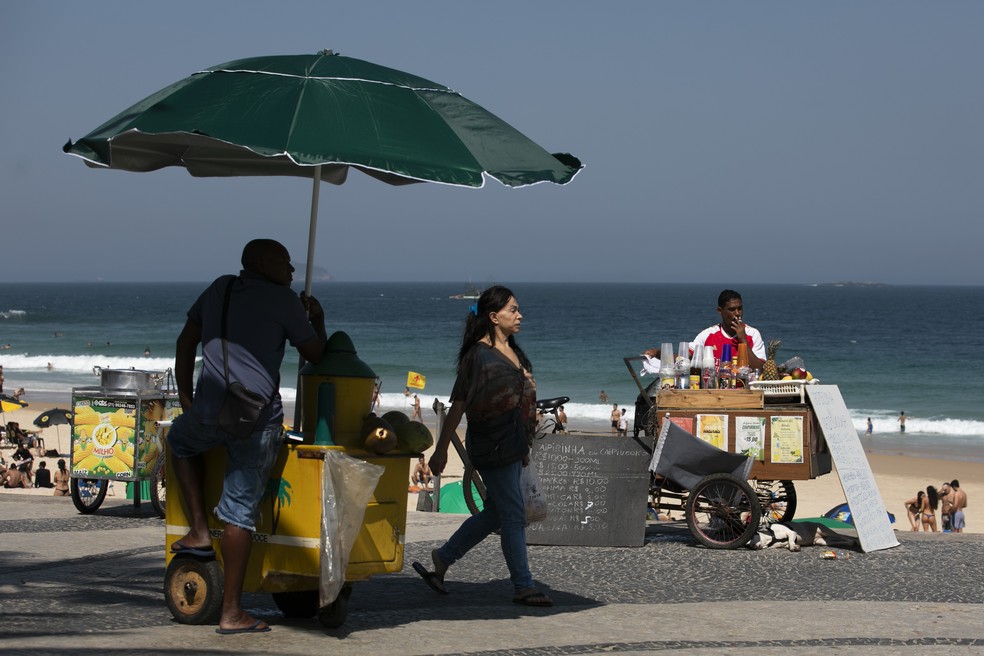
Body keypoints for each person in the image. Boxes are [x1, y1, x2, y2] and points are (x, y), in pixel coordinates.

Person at [166, 239, 327, 634]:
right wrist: (317, 318)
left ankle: (200, 529)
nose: (291, 271)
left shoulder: (220, 288)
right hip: (257, 420)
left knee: (179, 442)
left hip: (208, 410)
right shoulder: (285, 301)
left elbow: (185, 341)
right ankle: (232, 612)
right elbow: (317, 353)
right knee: (239, 510)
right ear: (259, 263)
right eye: (284, 263)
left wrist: (186, 395)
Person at [413, 285, 552, 607]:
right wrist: (441, 449)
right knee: (514, 516)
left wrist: (525, 443)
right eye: (513, 310)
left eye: (518, 309)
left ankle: (443, 557)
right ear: (493, 316)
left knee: (496, 512)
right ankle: (523, 585)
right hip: (491, 443)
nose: (520, 315)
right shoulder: (478, 356)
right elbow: (459, 404)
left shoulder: (513, 350)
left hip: (514, 440)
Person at [644, 289, 766, 370]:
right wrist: (659, 353)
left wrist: (743, 340)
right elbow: (684, 357)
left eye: (740, 308)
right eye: (732, 309)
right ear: (720, 310)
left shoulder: (752, 334)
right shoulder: (708, 335)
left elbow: (760, 369)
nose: (737, 314)